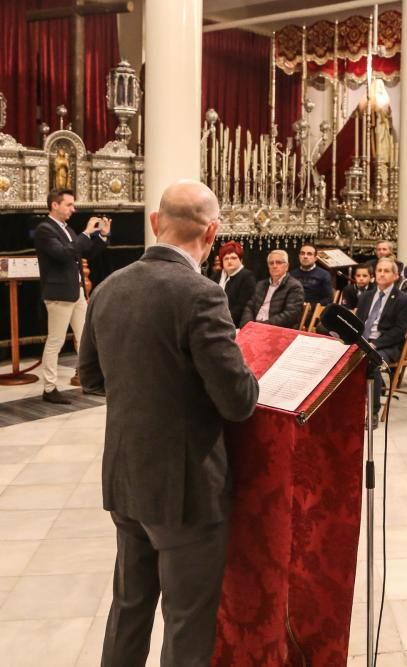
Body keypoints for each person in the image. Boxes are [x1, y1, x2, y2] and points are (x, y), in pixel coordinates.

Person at [78, 180, 259, 666]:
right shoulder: (200, 295)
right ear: (213, 232)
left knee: (129, 608)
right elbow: (238, 400)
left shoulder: (110, 287)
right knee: (186, 622)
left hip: (126, 477)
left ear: (155, 223)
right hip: (185, 490)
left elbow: (91, 378)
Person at [35, 188, 110, 403]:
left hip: (75, 291)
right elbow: (63, 254)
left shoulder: (67, 229)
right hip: (58, 292)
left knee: (86, 337)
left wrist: (102, 237)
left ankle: (91, 380)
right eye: (69, 204)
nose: (73, 209)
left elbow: (84, 253)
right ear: (54, 205)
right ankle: (49, 388)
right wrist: (86, 233)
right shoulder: (44, 229)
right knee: (55, 341)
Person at [357, 258, 407, 417]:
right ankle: (352, 405)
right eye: (379, 271)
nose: (382, 274)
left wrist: (375, 344)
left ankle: (373, 412)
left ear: (396, 276)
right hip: (363, 342)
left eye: (386, 271)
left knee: (371, 360)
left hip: (387, 345)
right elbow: (359, 322)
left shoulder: (404, 299)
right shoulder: (365, 297)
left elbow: (399, 330)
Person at [240, 249, 305, 328]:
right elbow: (249, 307)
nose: (274, 266)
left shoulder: (294, 286)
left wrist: (263, 326)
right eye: (271, 263)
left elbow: (291, 315)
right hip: (254, 327)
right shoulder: (260, 284)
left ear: (287, 266)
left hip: (276, 330)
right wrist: (247, 325)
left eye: (278, 262)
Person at [211, 240, 256, 326]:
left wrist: (221, 320)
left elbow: (242, 307)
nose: (229, 261)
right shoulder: (217, 276)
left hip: (234, 323)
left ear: (241, 260)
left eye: (233, 258)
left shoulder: (247, 277)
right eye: (226, 258)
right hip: (215, 318)